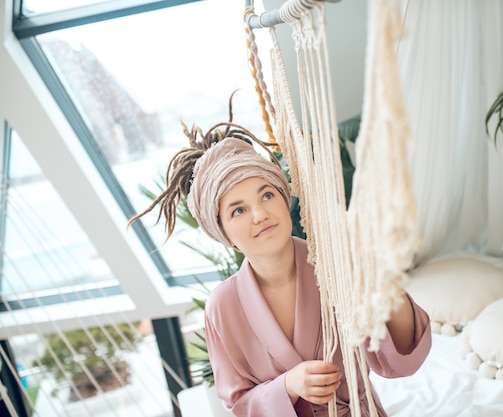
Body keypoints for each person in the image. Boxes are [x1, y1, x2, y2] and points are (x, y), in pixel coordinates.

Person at [128, 117, 432, 417]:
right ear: (225, 235)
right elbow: (240, 405)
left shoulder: (336, 264)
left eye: (267, 195)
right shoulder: (222, 307)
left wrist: (384, 282)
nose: (260, 214)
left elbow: (400, 359)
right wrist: (288, 385)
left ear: (283, 199)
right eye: (239, 210)